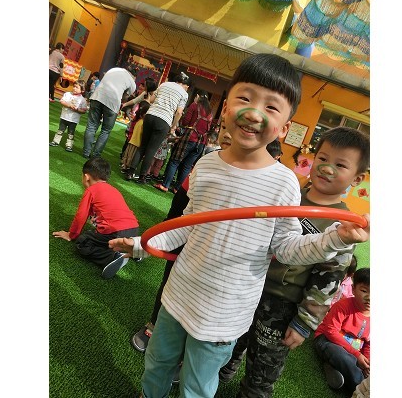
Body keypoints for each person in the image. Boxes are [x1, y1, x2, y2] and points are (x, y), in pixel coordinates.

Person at [109, 54, 370, 398]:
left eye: (271, 107)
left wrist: (334, 238)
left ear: (284, 128)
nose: (254, 113)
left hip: (225, 313)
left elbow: (287, 249)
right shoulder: (206, 165)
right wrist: (142, 244)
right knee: (158, 362)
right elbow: (187, 224)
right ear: (226, 106)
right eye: (245, 98)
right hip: (179, 293)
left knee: (197, 384)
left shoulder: (283, 184)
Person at [221, 126, 370, 398]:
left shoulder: (343, 225)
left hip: (282, 305)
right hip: (247, 286)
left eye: (340, 165)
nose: (327, 168)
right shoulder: (289, 195)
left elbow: (329, 280)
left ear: (357, 178)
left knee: (263, 369)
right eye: (323, 158)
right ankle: (221, 373)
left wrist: (304, 321)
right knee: (228, 342)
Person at [130, 118, 233, 356]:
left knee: (204, 290)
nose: (227, 135)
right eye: (224, 128)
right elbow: (178, 212)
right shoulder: (208, 161)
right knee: (171, 277)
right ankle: (155, 324)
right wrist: (158, 240)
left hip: (214, 247)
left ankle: (187, 339)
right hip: (185, 224)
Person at [52, 157, 140, 279]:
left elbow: (80, 216)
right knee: (104, 237)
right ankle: (133, 249)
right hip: (134, 229)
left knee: (83, 242)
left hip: (115, 231)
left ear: (86, 177)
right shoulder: (113, 189)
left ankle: (111, 257)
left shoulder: (91, 190)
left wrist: (71, 235)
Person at [123, 71, 191, 184]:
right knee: (151, 149)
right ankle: (142, 177)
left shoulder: (164, 84)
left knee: (142, 145)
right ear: (186, 85)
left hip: (150, 115)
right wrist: (173, 126)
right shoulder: (184, 94)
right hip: (164, 120)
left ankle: (130, 172)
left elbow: (152, 100)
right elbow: (179, 112)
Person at [313, 267, 370, 394]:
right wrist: (357, 355)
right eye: (364, 291)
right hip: (327, 340)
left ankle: (333, 368)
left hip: (353, 352)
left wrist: (367, 362)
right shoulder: (343, 305)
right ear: (353, 289)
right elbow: (330, 331)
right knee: (343, 357)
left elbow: (369, 343)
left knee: (360, 365)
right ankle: (360, 390)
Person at [154, 89, 213, 193]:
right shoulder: (210, 112)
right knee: (187, 166)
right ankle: (177, 188)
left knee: (175, 161)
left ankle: (165, 185)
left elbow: (186, 122)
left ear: (197, 96)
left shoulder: (195, 105)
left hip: (190, 138)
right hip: (201, 142)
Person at [83, 67, 136, 159]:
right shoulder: (132, 82)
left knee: (91, 126)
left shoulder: (114, 69)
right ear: (134, 76)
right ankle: (96, 155)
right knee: (105, 130)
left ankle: (86, 152)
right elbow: (124, 98)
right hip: (112, 103)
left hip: (97, 97)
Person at [49, 80, 88, 152]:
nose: (74, 88)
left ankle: (69, 145)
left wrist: (77, 109)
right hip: (64, 117)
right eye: (74, 86)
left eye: (77, 87)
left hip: (73, 120)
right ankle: (55, 141)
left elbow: (84, 110)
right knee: (60, 130)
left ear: (82, 90)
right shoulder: (67, 94)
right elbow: (62, 101)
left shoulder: (82, 100)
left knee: (71, 133)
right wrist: (69, 105)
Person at [121, 101, 150, 172]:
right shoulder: (143, 123)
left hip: (132, 141)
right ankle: (127, 168)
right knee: (132, 156)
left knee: (128, 155)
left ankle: (124, 166)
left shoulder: (137, 121)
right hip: (137, 143)